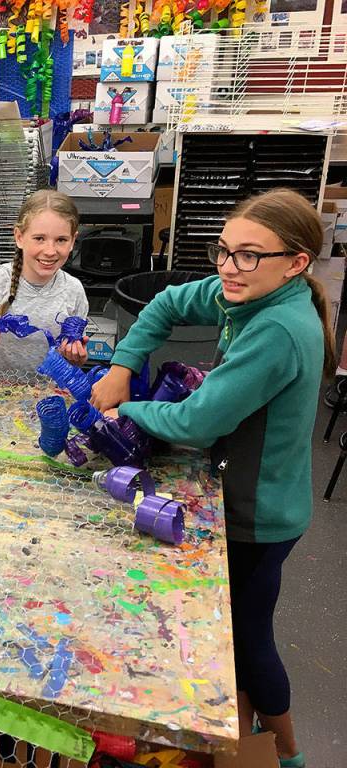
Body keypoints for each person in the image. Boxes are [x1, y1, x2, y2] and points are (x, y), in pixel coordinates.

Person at [90, 188, 334, 768]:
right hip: (248, 490)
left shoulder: (278, 330)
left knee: (249, 642)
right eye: (223, 251)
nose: (229, 266)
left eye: (248, 255)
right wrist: (126, 363)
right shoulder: (243, 293)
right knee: (241, 636)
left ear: (296, 263)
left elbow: (201, 421)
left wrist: (125, 411)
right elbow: (167, 303)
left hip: (260, 512)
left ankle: (285, 755)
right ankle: (246, 738)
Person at [0, 189, 90, 377]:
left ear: (73, 241)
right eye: (39, 238)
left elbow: (75, 359)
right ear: (19, 237)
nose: (50, 250)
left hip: (47, 397)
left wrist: (76, 356)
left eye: (61, 240)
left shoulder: (74, 290)